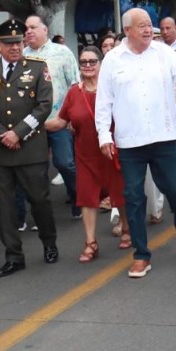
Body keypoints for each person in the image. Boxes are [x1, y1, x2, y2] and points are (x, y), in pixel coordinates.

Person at [95, 8, 176, 279]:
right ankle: (141, 254)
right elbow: (104, 100)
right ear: (128, 30)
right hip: (130, 141)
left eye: (149, 25)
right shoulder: (112, 59)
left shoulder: (163, 53)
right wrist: (104, 136)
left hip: (163, 136)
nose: (148, 29)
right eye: (141, 25)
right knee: (132, 196)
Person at [0, 19, 58, 278]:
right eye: (9, 43)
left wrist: (19, 132)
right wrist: (1, 134)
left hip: (31, 147)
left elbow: (44, 105)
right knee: (5, 206)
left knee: (40, 200)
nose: (15, 48)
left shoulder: (37, 67)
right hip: (1, 148)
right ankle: (13, 255)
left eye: (19, 42)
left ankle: (49, 243)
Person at [46, 46, 128, 261]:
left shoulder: (112, 88)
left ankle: (127, 229)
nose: (88, 66)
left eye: (93, 61)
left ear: (101, 64)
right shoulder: (74, 92)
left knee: (120, 194)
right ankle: (90, 243)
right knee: (87, 198)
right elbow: (61, 121)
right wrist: (34, 125)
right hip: (85, 155)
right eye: (84, 62)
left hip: (112, 152)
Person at [23, 15, 80, 218]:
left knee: (65, 163)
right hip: (31, 123)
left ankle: (77, 197)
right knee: (36, 170)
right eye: (26, 28)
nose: (29, 31)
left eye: (33, 27)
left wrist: (73, 116)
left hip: (60, 120)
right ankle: (42, 211)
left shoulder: (62, 52)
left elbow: (75, 85)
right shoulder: (22, 56)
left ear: (45, 30)